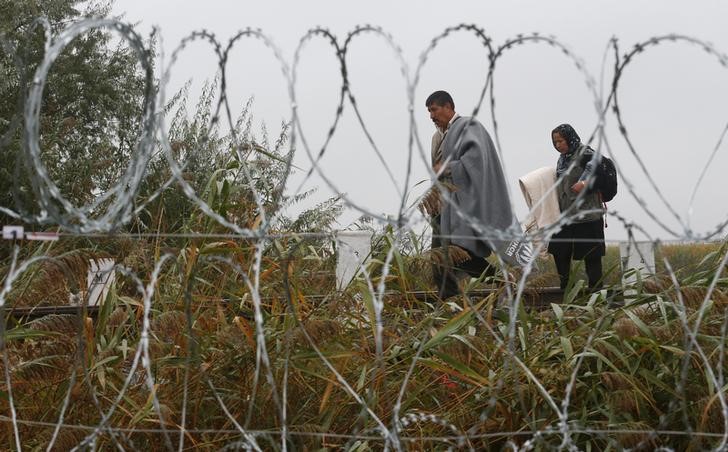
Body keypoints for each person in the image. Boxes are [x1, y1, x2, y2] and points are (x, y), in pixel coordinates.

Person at [422, 90, 514, 300]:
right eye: (429, 111)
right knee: (440, 257)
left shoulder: (467, 126)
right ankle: (450, 300)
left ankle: (499, 280)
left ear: (448, 107)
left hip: (462, 203)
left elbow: (476, 159)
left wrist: (449, 168)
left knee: (458, 253)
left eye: (434, 109)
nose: (431, 116)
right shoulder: (438, 137)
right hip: (442, 205)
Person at [547, 123, 605, 290]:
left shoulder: (585, 153)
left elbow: (599, 166)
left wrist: (584, 181)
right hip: (566, 215)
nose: (558, 145)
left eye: (561, 141)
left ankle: (596, 291)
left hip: (587, 215)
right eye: (555, 142)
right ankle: (566, 289)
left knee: (591, 255)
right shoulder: (562, 160)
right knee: (559, 250)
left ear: (570, 138)